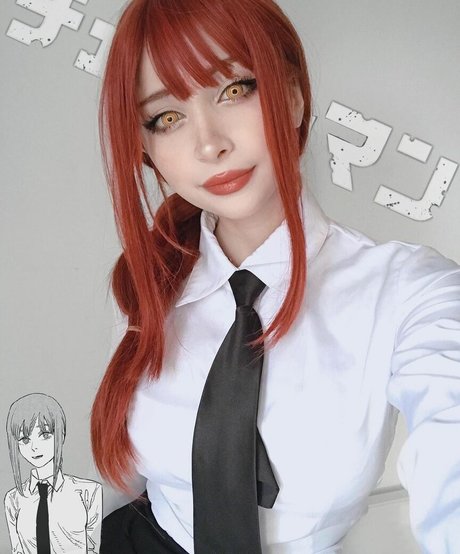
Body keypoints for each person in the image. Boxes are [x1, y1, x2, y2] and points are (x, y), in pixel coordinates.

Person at [90, 0, 460, 552]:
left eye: (234, 89)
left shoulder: (411, 292)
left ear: (292, 96)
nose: (209, 144)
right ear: (146, 149)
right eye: (167, 118)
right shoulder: (154, 279)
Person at [4, 393, 102, 553]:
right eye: (25, 440)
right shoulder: (13, 499)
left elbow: (93, 549)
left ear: (61, 435)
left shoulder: (89, 491)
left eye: (44, 435)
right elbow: (17, 551)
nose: (34, 447)